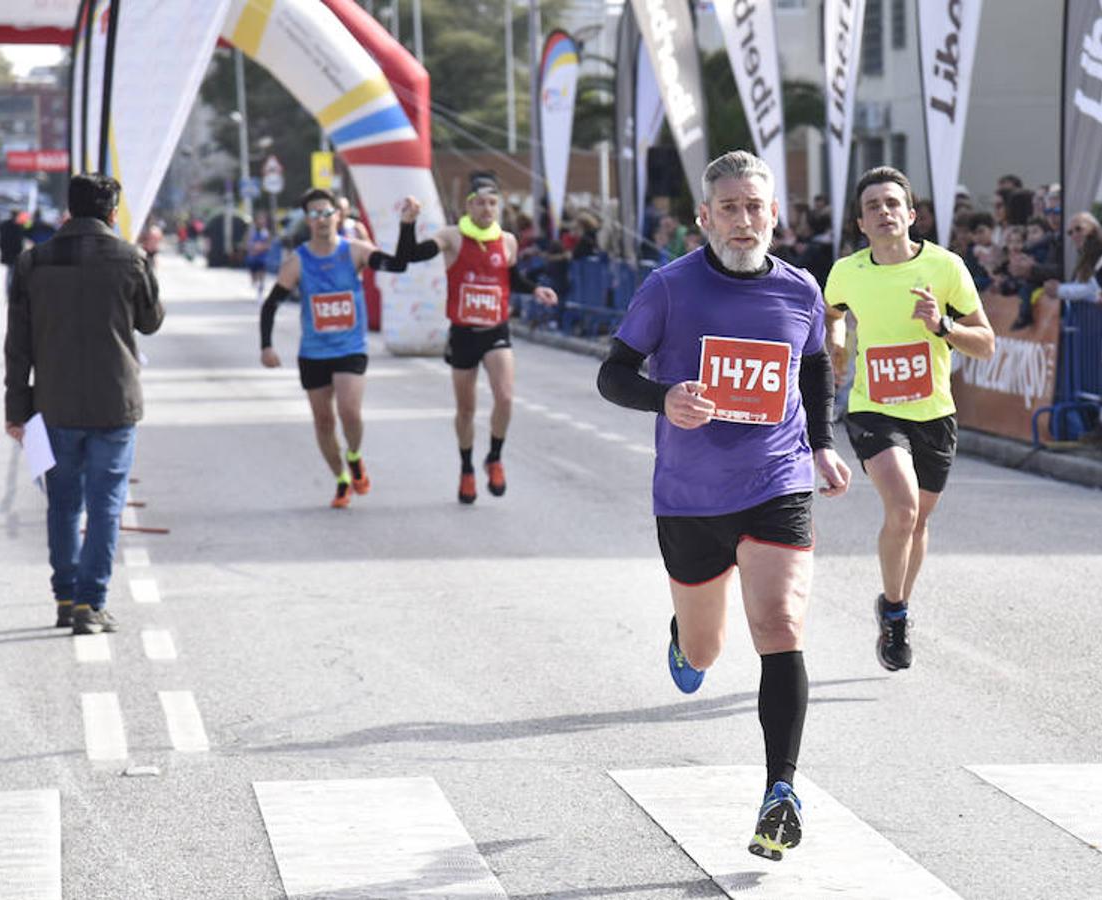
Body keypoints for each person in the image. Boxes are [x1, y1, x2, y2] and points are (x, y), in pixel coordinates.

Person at [596, 150, 851, 861]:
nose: (745, 221)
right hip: (689, 496)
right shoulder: (669, 288)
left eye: (756, 207)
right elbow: (612, 374)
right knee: (706, 650)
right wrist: (662, 397)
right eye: (730, 208)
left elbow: (817, 367)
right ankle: (684, 635)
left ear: (776, 214)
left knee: (779, 622)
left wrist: (823, 444)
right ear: (705, 217)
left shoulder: (801, 289)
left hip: (777, 481)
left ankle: (781, 790)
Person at [823, 166, 995, 672]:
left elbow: (986, 343)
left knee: (919, 521)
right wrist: (836, 343)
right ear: (861, 222)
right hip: (873, 408)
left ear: (911, 214)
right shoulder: (846, 272)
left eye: (892, 203)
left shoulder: (945, 268)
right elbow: (831, 312)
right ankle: (897, 617)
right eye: (873, 205)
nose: (884, 211)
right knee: (901, 509)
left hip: (934, 413)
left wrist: (941, 326)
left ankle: (894, 602)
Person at [4, 174, 164, 635]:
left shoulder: (34, 262)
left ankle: (66, 595)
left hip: (52, 405)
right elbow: (151, 322)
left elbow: (18, 344)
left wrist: (16, 407)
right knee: (105, 504)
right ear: (113, 213)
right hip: (115, 404)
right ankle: (90, 604)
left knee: (63, 504)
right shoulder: (129, 257)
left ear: (68, 210)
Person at [391, 172, 558, 503]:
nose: (487, 209)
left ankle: (494, 457)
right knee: (466, 409)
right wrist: (408, 224)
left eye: (493, 203)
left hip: (495, 329)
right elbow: (409, 257)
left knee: (506, 397)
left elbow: (510, 276)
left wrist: (535, 289)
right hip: (464, 333)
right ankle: (466, 467)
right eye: (480, 203)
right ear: (468, 205)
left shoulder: (507, 241)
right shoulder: (451, 237)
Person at [258, 188, 414, 508]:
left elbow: (397, 265)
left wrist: (407, 225)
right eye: (314, 214)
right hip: (314, 352)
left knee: (349, 410)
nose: (321, 220)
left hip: (350, 347)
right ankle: (341, 478)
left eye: (326, 213)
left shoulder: (355, 252)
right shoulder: (297, 262)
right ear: (308, 220)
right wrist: (267, 346)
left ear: (338, 216)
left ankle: (354, 455)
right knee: (324, 422)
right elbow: (270, 306)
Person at [245, 217, 272, 301]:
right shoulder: (252, 233)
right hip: (253, 258)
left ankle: (260, 289)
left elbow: (268, 245)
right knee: (254, 276)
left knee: (262, 274)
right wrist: (253, 248)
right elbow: (248, 244)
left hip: (262, 258)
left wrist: (262, 247)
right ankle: (255, 283)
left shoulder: (266, 233)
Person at [0, 208, 25, 298]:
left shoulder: (4, 225)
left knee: (10, 273)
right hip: (15, 253)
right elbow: (19, 240)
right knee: (12, 273)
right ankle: (10, 293)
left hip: (7, 252)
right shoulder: (19, 226)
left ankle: (9, 292)